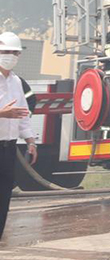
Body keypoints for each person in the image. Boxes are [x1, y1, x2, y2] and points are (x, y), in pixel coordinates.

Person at [0, 32, 37, 241]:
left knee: (4, 196)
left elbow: (22, 114)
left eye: (15, 53)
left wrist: (30, 140)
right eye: (5, 52)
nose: (10, 56)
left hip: (8, 148)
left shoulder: (15, 82)